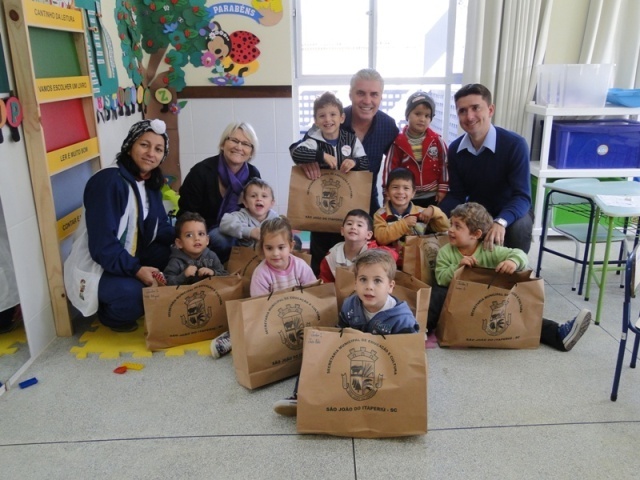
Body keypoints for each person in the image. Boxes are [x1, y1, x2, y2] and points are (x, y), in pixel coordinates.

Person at [273, 249, 419, 417]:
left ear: (390, 286)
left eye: (378, 280)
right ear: (355, 283)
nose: (369, 286)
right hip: (351, 361)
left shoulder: (402, 319)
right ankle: (299, 397)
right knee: (314, 352)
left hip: (384, 370)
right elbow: (339, 331)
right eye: (363, 279)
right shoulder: (350, 305)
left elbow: (406, 360)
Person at [430, 202, 591, 351]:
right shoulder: (446, 251)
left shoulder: (489, 250)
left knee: (521, 314)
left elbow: (519, 254)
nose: (450, 229)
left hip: (486, 304)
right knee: (437, 295)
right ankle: (419, 328)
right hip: (458, 304)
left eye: (457, 226)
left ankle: (560, 335)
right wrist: (457, 268)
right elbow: (440, 277)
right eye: (451, 224)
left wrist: (513, 262)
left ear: (476, 234)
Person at [82, 119, 174, 332]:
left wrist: (187, 237)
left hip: (132, 254)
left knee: (178, 258)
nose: (151, 153)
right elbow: (102, 247)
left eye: (158, 149)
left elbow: (159, 226)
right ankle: (109, 313)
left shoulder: (149, 182)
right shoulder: (109, 182)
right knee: (135, 297)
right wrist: (137, 270)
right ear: (130, 146)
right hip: (102, 264)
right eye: (144, 145)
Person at [439, 83, 534, 253]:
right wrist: (435, 213)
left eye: (476, 108)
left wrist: (501, 221)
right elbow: (457, 195)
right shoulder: (455, 149)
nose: (469, 116)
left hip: (510, 211)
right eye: (462, 111)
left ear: (490, 110)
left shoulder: (515, 145)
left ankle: (514, 275)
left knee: (520, 227)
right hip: (476, 213)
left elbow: (522, 196)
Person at [296, 69, 399, 215]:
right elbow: (298, 147)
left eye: (374, 94)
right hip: (326, 203)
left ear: (381, 97)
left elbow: (397, 163)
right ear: (350, 95)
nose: (367, 101)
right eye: (361, 93)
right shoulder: (331, 119)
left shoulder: (388, 126)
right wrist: (306, 161)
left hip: (366, 201)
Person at [211, 216, 317, 359]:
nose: (275, 253)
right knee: (254, 330)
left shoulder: (301, 266)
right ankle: (232, 337)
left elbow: (313, 293)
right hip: (269, 317)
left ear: (291, 246)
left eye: (281, 247)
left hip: (297, 314)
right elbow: (258, 307)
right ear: (262, 248)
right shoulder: (261, 273)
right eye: (269, 248)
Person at [290, 91, 368, 274]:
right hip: (319, 209)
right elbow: (296, 154)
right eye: (322, 116)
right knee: (319, 244)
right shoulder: (313, 139)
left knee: (342, 243)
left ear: (342, 117)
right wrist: (320, 155)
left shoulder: (350, 139)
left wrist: (355, 162)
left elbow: (366, 162)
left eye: (333, 114)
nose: (328, 120)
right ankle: (319, 279)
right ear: (316, 120)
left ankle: (344, 278)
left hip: (344, 205)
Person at [178, 122, 261, 264]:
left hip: (241, 227)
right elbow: (187, 214)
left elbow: (258, 208)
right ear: (223, 144)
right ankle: (221, 274)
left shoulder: (253, 174)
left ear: (251, 152)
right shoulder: (201, 172)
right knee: (222, 239)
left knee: (284, 238)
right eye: (234, 140)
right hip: (206, 231)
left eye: (246, 144)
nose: (239, 147)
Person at [382, 91, 448, 208]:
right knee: (406, 224)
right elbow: (389, 169)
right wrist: (387, 192)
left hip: (433, 195)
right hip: (406, 196)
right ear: (408, 115)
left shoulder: (437, 141)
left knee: (432, 224)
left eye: (427, 116)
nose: (422, 119)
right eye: (418, 114)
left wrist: (443, 188)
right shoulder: (398, 143)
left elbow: (445, 165)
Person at [374, 168, 449, 267]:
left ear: (413, 193)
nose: (400, 192)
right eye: (395, 187)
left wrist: (434, 211)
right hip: (389, 265)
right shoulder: (380, 214)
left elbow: (444, 228)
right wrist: (404, 224)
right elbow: (381, 238)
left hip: (418, 265)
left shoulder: (422, 213)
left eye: (406, 188)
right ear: (387, 191)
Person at [318, 208, 398, 284]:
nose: (353, 227)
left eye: (359, 225)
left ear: (369, 235)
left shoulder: (373, 251)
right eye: (349, 224)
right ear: (342, 231)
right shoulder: (332, 256)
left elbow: (393, 255)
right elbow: (326, 282)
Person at [163, 212, 227, 286]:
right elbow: (167, 282)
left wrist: (213, 273)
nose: (197, 238)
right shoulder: (176, 261)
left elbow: (226, 275)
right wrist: (183, 276)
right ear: (179, 243)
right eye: (189, 235)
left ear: (207, 240)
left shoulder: (211, 256)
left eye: (201, 234)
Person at [218, 178, 279, 249]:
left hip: (270, 255)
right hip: (245, 256)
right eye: (253, 196)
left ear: (272, 203)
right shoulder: (242, 216)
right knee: (218, 237)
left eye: (264, 196)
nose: (259, 199)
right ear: (245, 203)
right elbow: (225, 223)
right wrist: (249, 231)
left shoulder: (275, 219)